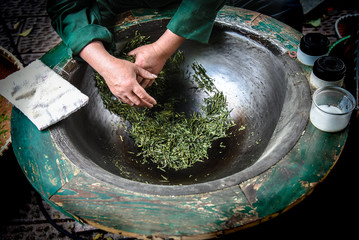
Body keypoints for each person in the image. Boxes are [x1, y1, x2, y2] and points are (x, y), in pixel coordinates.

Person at [47, 0, 303, 108]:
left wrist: (162, 48)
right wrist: (107, 66)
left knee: (281, 6)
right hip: (118, 8)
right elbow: (65, 5)